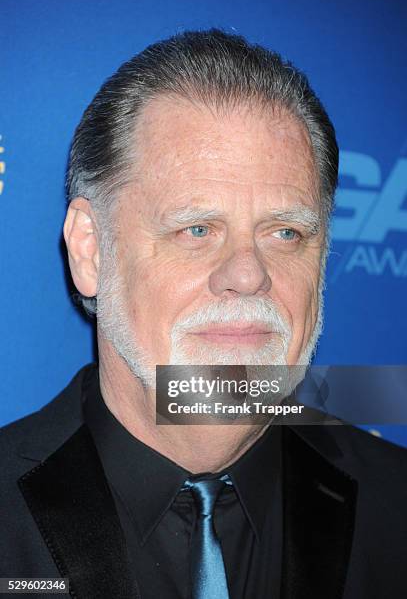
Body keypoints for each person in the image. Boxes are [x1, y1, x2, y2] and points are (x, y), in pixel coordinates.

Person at [1, 29, 406, 599]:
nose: (248, 274)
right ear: (91, 250)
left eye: (286, 232)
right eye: (196, 229)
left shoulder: (396, 505)